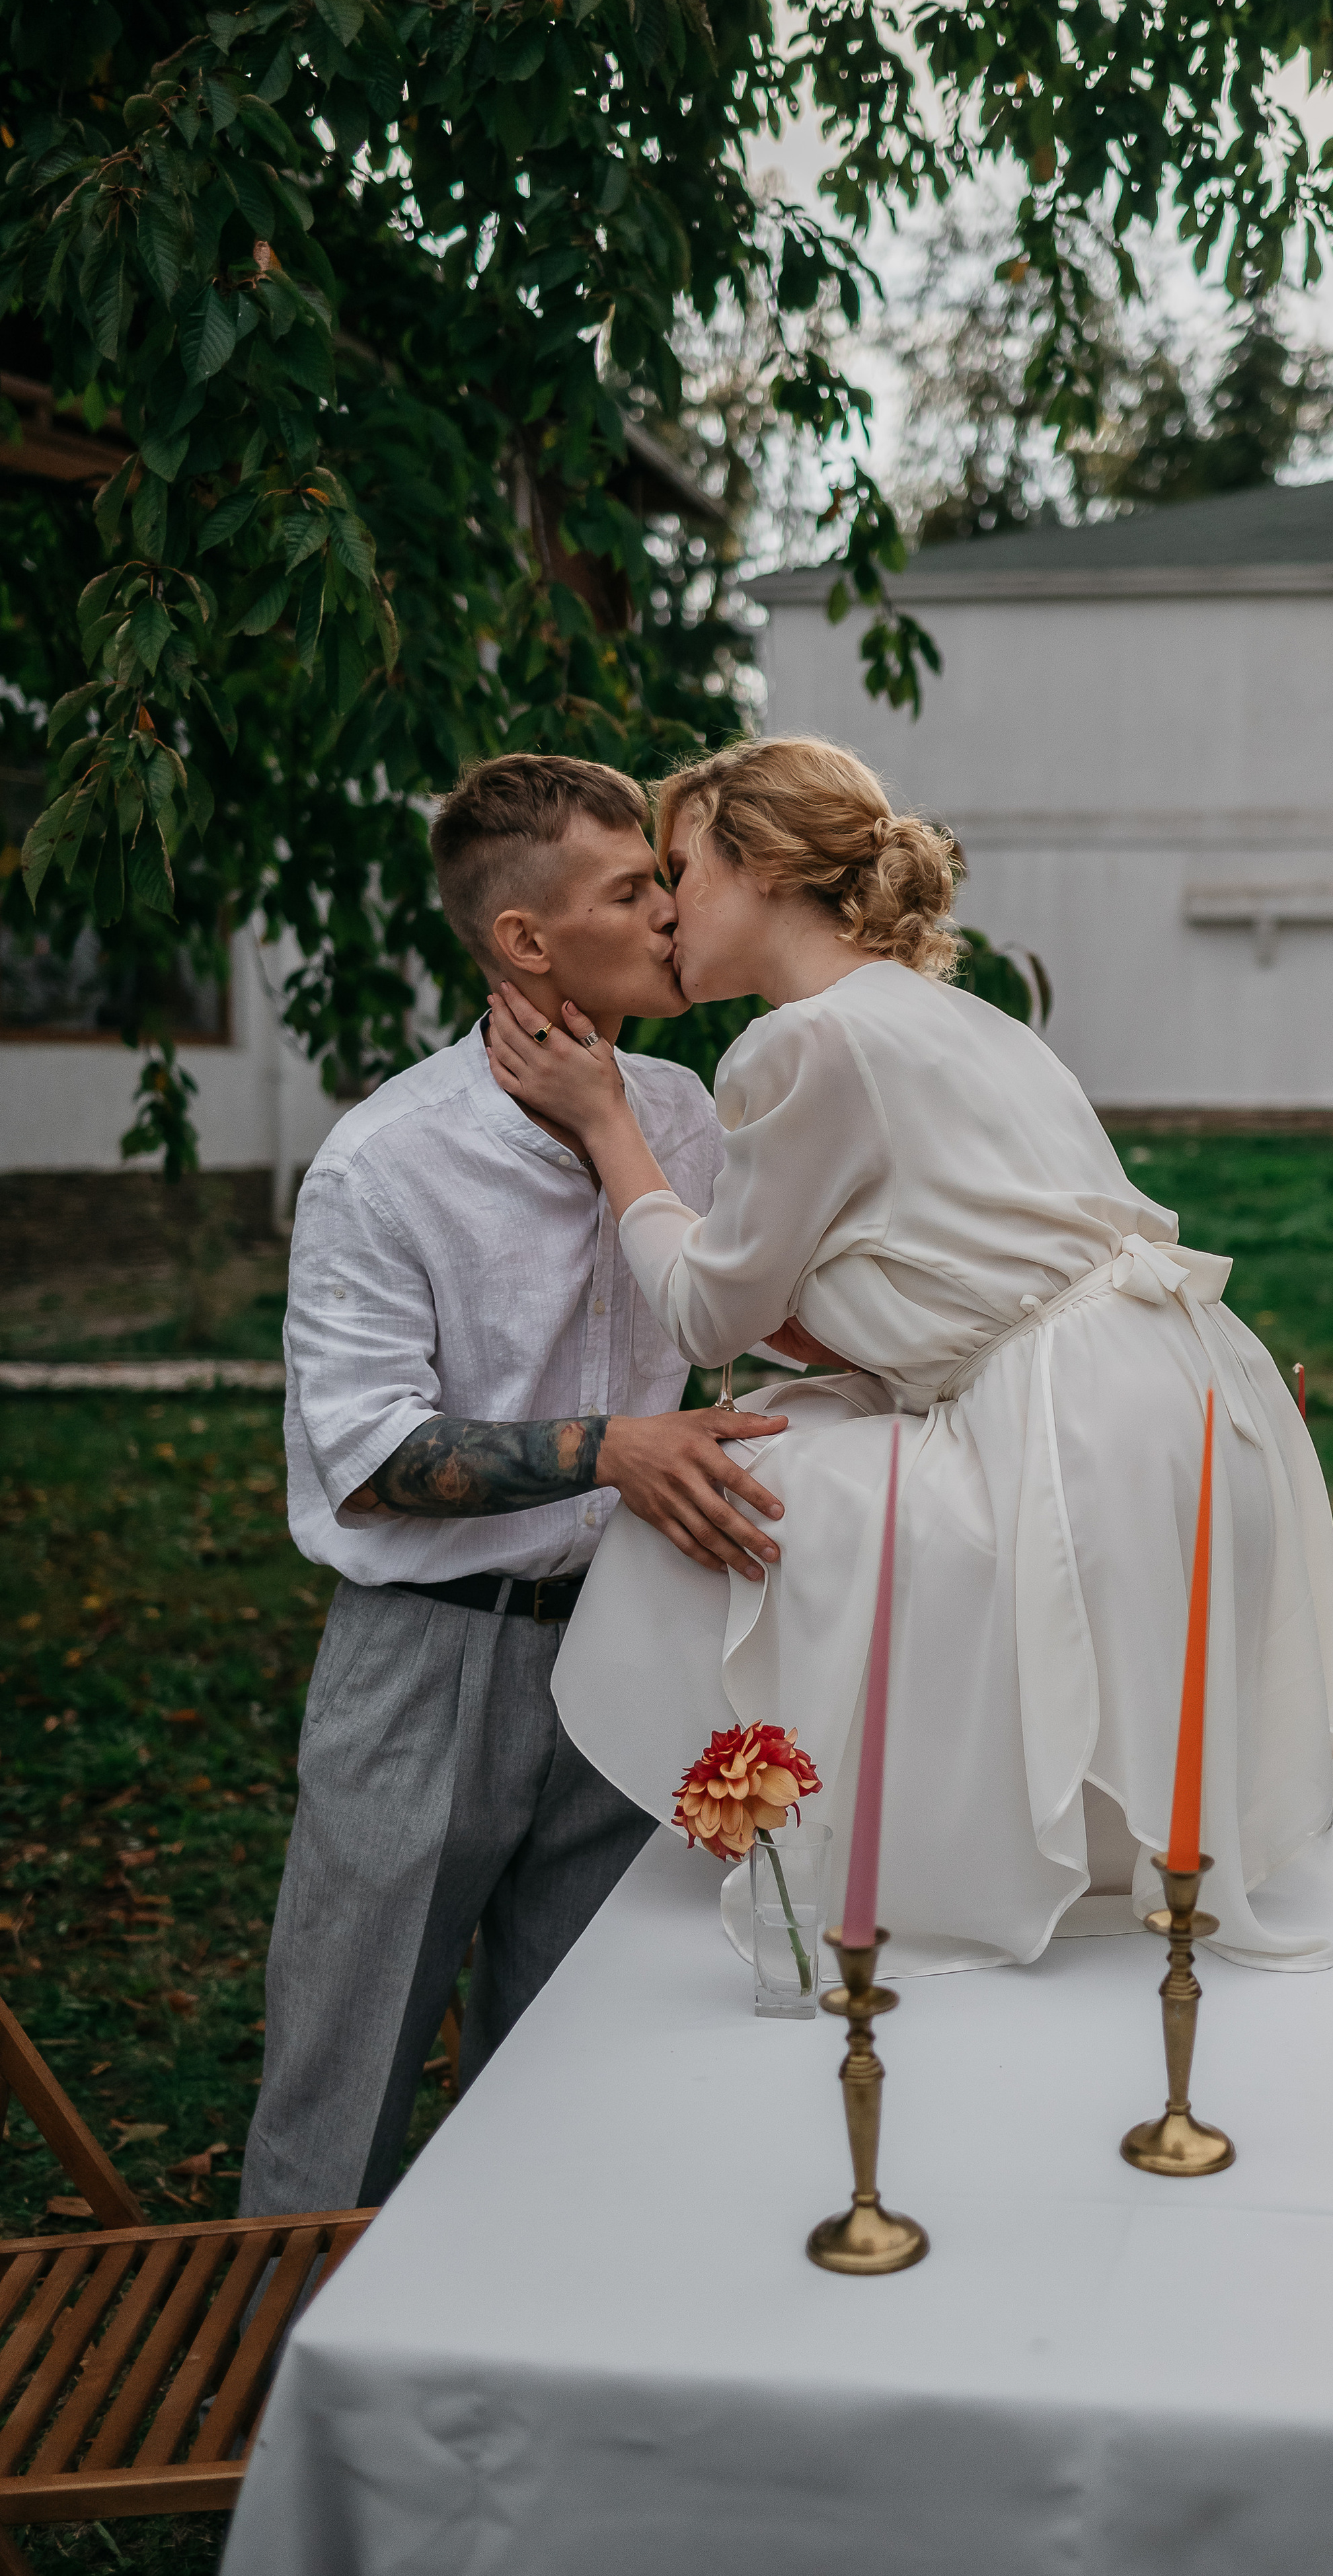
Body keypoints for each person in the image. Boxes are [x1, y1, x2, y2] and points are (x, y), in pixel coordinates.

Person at [486, 737, 1333, 1977]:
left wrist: (605, 1118)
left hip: (1077, 1424)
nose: (668, 908)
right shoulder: (960, 1018)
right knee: (812, 1436)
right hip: (1190, 1389)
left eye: (681, 867)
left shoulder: (798, 1043)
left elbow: (703, 1318)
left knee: (747, 1481)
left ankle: (814, 1823)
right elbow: (938, 1268)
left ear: (767, 862)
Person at [242, 753, 793, 2219]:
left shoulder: (680, 1113)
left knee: (575, 2078)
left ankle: (502, 2423)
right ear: (524, 943)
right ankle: (261, 2414)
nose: (675, 914)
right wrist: (611, 1450)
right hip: (427, 1669)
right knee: (338, 2088)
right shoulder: (384, 1166)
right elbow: (366, 1463)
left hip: (631, 1653)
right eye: (634, 889)